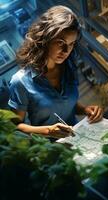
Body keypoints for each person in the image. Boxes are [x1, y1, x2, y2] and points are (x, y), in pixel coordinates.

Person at [8, 5, 103, 138]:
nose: (66, 51)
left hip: (77, 138)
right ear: (45, 38)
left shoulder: (69, 66)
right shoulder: (20, 82)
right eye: (60, 42)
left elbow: (65, 103)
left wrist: (85, 109)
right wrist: (49, 131)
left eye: (71, 44)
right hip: (49, 149)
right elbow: (15, 126)